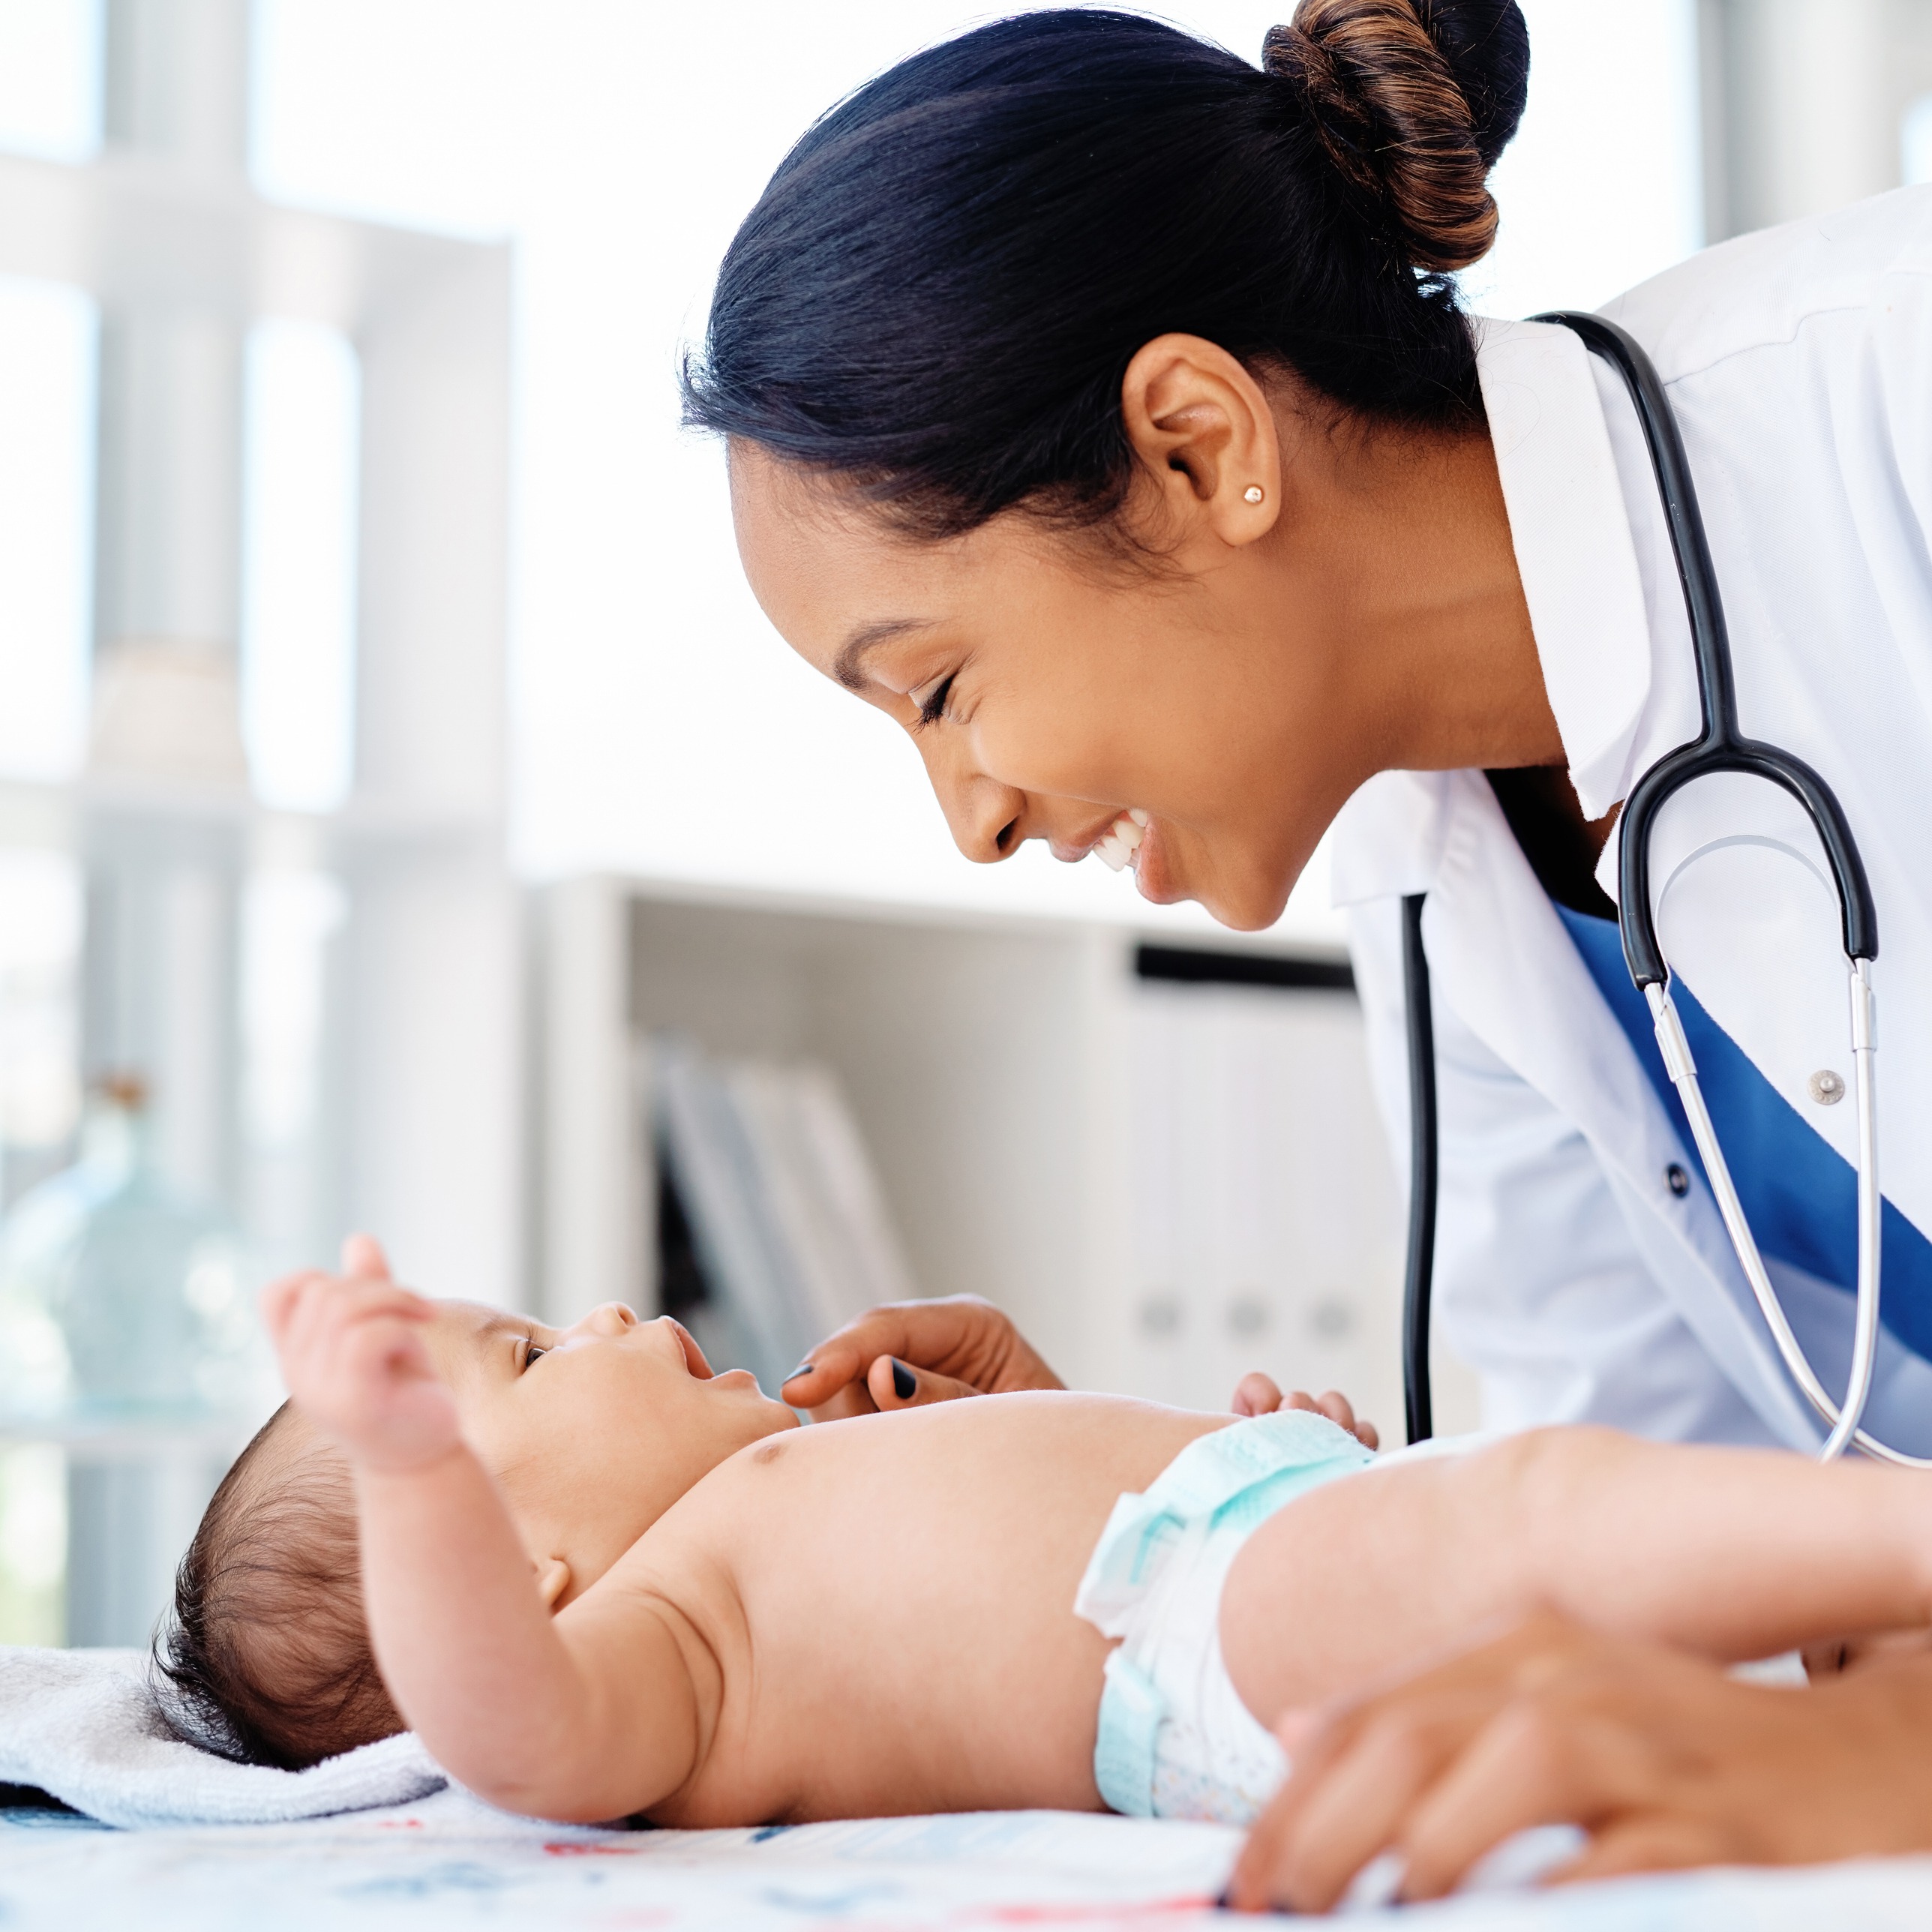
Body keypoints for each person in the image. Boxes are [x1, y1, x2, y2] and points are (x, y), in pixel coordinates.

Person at [680, 0, 1932, 1898]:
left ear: (1194, 446)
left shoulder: (1888, 406)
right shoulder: (1437, 891)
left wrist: (1888, 1745)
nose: (975, 817)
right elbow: (1648, 1563)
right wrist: (1122, 1526)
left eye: (936, 688)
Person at [159, 1239, 1932, 1846]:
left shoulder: (781, 1520)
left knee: (1599, 1542)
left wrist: (1246, 1459)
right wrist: (411, 1477)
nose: (611, 1306)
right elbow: (506, 1731)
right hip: (1210, 1626)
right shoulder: (655, 1649)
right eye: (536, 1351)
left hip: (1225, 1581)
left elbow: (1026, 1589)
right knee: (1543, 1507)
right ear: (517, 1566)